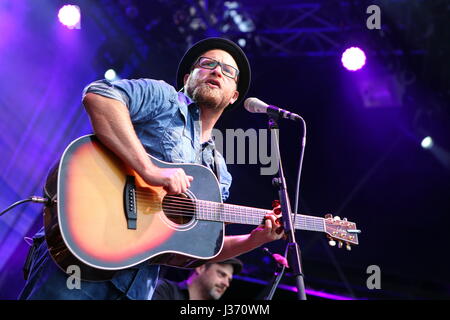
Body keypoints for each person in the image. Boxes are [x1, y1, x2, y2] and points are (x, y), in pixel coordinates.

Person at [18, 37, 284, 300]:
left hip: (137, 290)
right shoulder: (164, 98)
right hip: (82, 255)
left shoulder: (219, 173)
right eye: (207, 63)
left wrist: (255, 239)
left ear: (234, 96)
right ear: (188, 77)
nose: (217, 71)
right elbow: (99, 96)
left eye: (228, 71)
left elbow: (194, 252)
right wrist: (149, 170)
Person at [152, 258, 243, 300]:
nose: (226, 284)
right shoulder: (165, 290)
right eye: (221, 274)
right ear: (200, 268)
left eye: (229, 280)